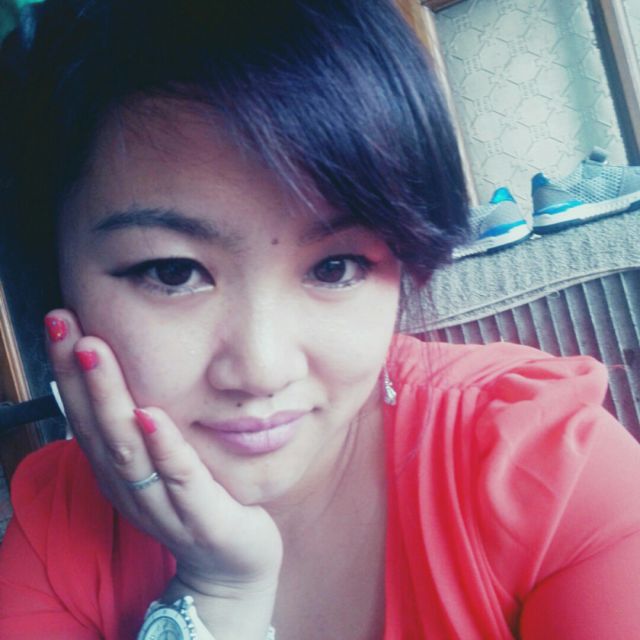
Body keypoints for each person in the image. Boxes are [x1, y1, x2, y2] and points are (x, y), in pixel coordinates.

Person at [0, 0, 640, 638]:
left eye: (335, 268)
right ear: (56, 275)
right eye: (172, 272)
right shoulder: (57, 527)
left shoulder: (555, 477)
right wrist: (217, 593)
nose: (262, 369)